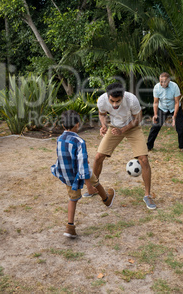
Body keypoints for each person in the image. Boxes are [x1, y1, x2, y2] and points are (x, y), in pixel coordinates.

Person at [83, 82, 156, 210]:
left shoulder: (131, 99)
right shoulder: (101, 100)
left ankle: (147, 195)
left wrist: (124, 129)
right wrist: (104, 125)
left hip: (132, 127)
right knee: (99, 156)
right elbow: (102, 114)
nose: (115, 105)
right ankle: (93, 188)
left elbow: (138, 118)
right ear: (108, 96)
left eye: (118, 101)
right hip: (114, 127)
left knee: (143, 159)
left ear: (123, 96)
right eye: (112, 101)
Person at [51, 110, 115, 238]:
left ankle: (70, 227)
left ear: (63, 126)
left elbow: (62, 156)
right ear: (77, 124)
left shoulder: (59, 139)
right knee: (94, 181)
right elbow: (82, 166)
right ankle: (106, 199)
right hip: (79, 171)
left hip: (67, 174)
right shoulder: (79, 141)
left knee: (72, 198)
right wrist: (89, 187)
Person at [147, 72, 183, 153]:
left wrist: (174, 116)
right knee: (155, 127)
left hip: (174, 108)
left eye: (164, 81)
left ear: (169, 80)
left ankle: (182, 147)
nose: (162, 83)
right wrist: (155, 115)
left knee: (181, 128)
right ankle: (149, 146)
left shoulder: (174, 86)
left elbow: (177, 102)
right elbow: (155, 102)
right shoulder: (157, 87)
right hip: (162, 108)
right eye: (161, 81)